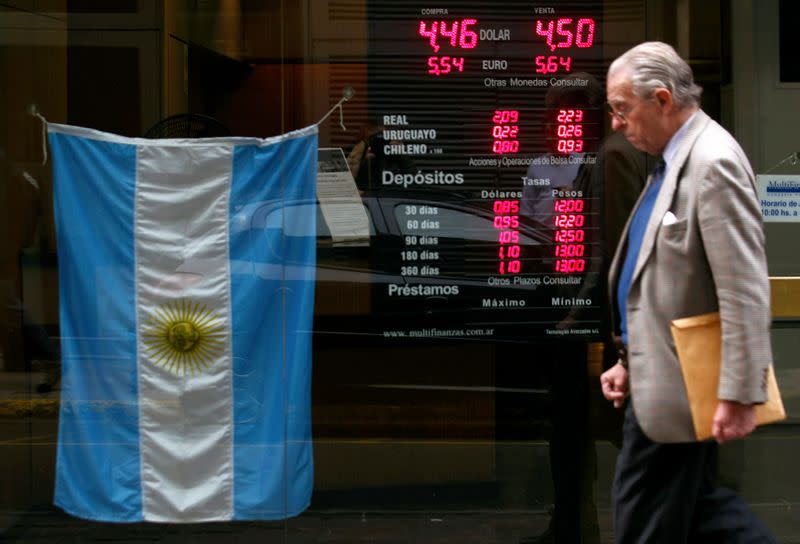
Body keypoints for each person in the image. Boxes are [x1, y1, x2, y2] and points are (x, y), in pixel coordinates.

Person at [600, 41, 776, 543]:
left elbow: (744, 287)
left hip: (682, 391)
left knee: (646, 520)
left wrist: (742, 392)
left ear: (661, 99)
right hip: (662, 381)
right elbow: (661, 282)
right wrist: (629, 359)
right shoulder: (670, 160)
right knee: (704, 514)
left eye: (622, 108)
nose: (616, 122)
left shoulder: (712, 162)